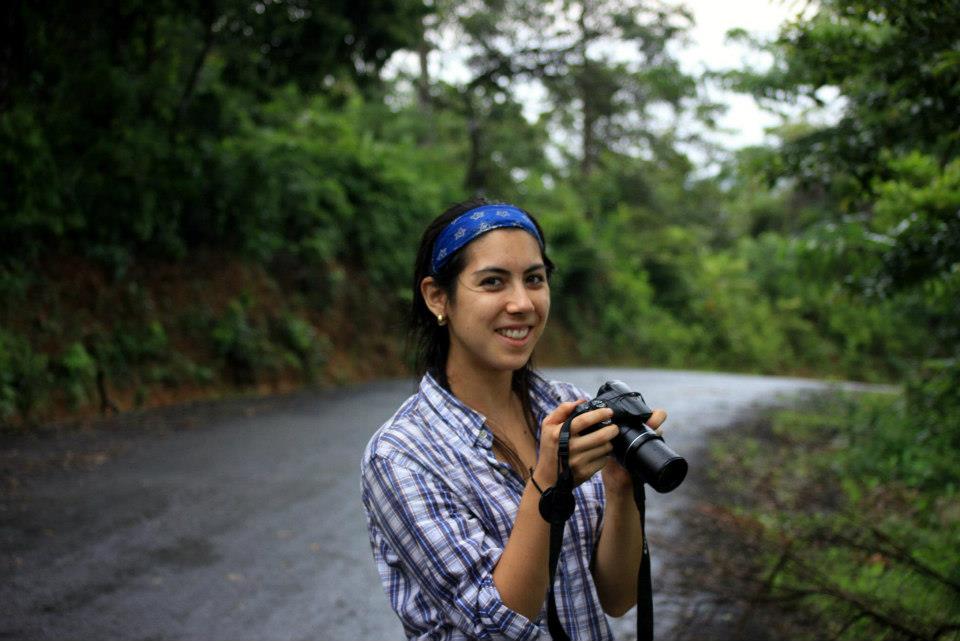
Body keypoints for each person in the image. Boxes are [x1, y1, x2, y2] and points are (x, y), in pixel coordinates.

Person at [360, 198, 668, 640]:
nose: (522, 303)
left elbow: (618, 597)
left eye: (535, 279)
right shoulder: (401, 457)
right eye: (492, 282)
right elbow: (497, 627)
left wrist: (620, 489)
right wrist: (547, 482)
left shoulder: (569, 408)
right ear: (437, 297)